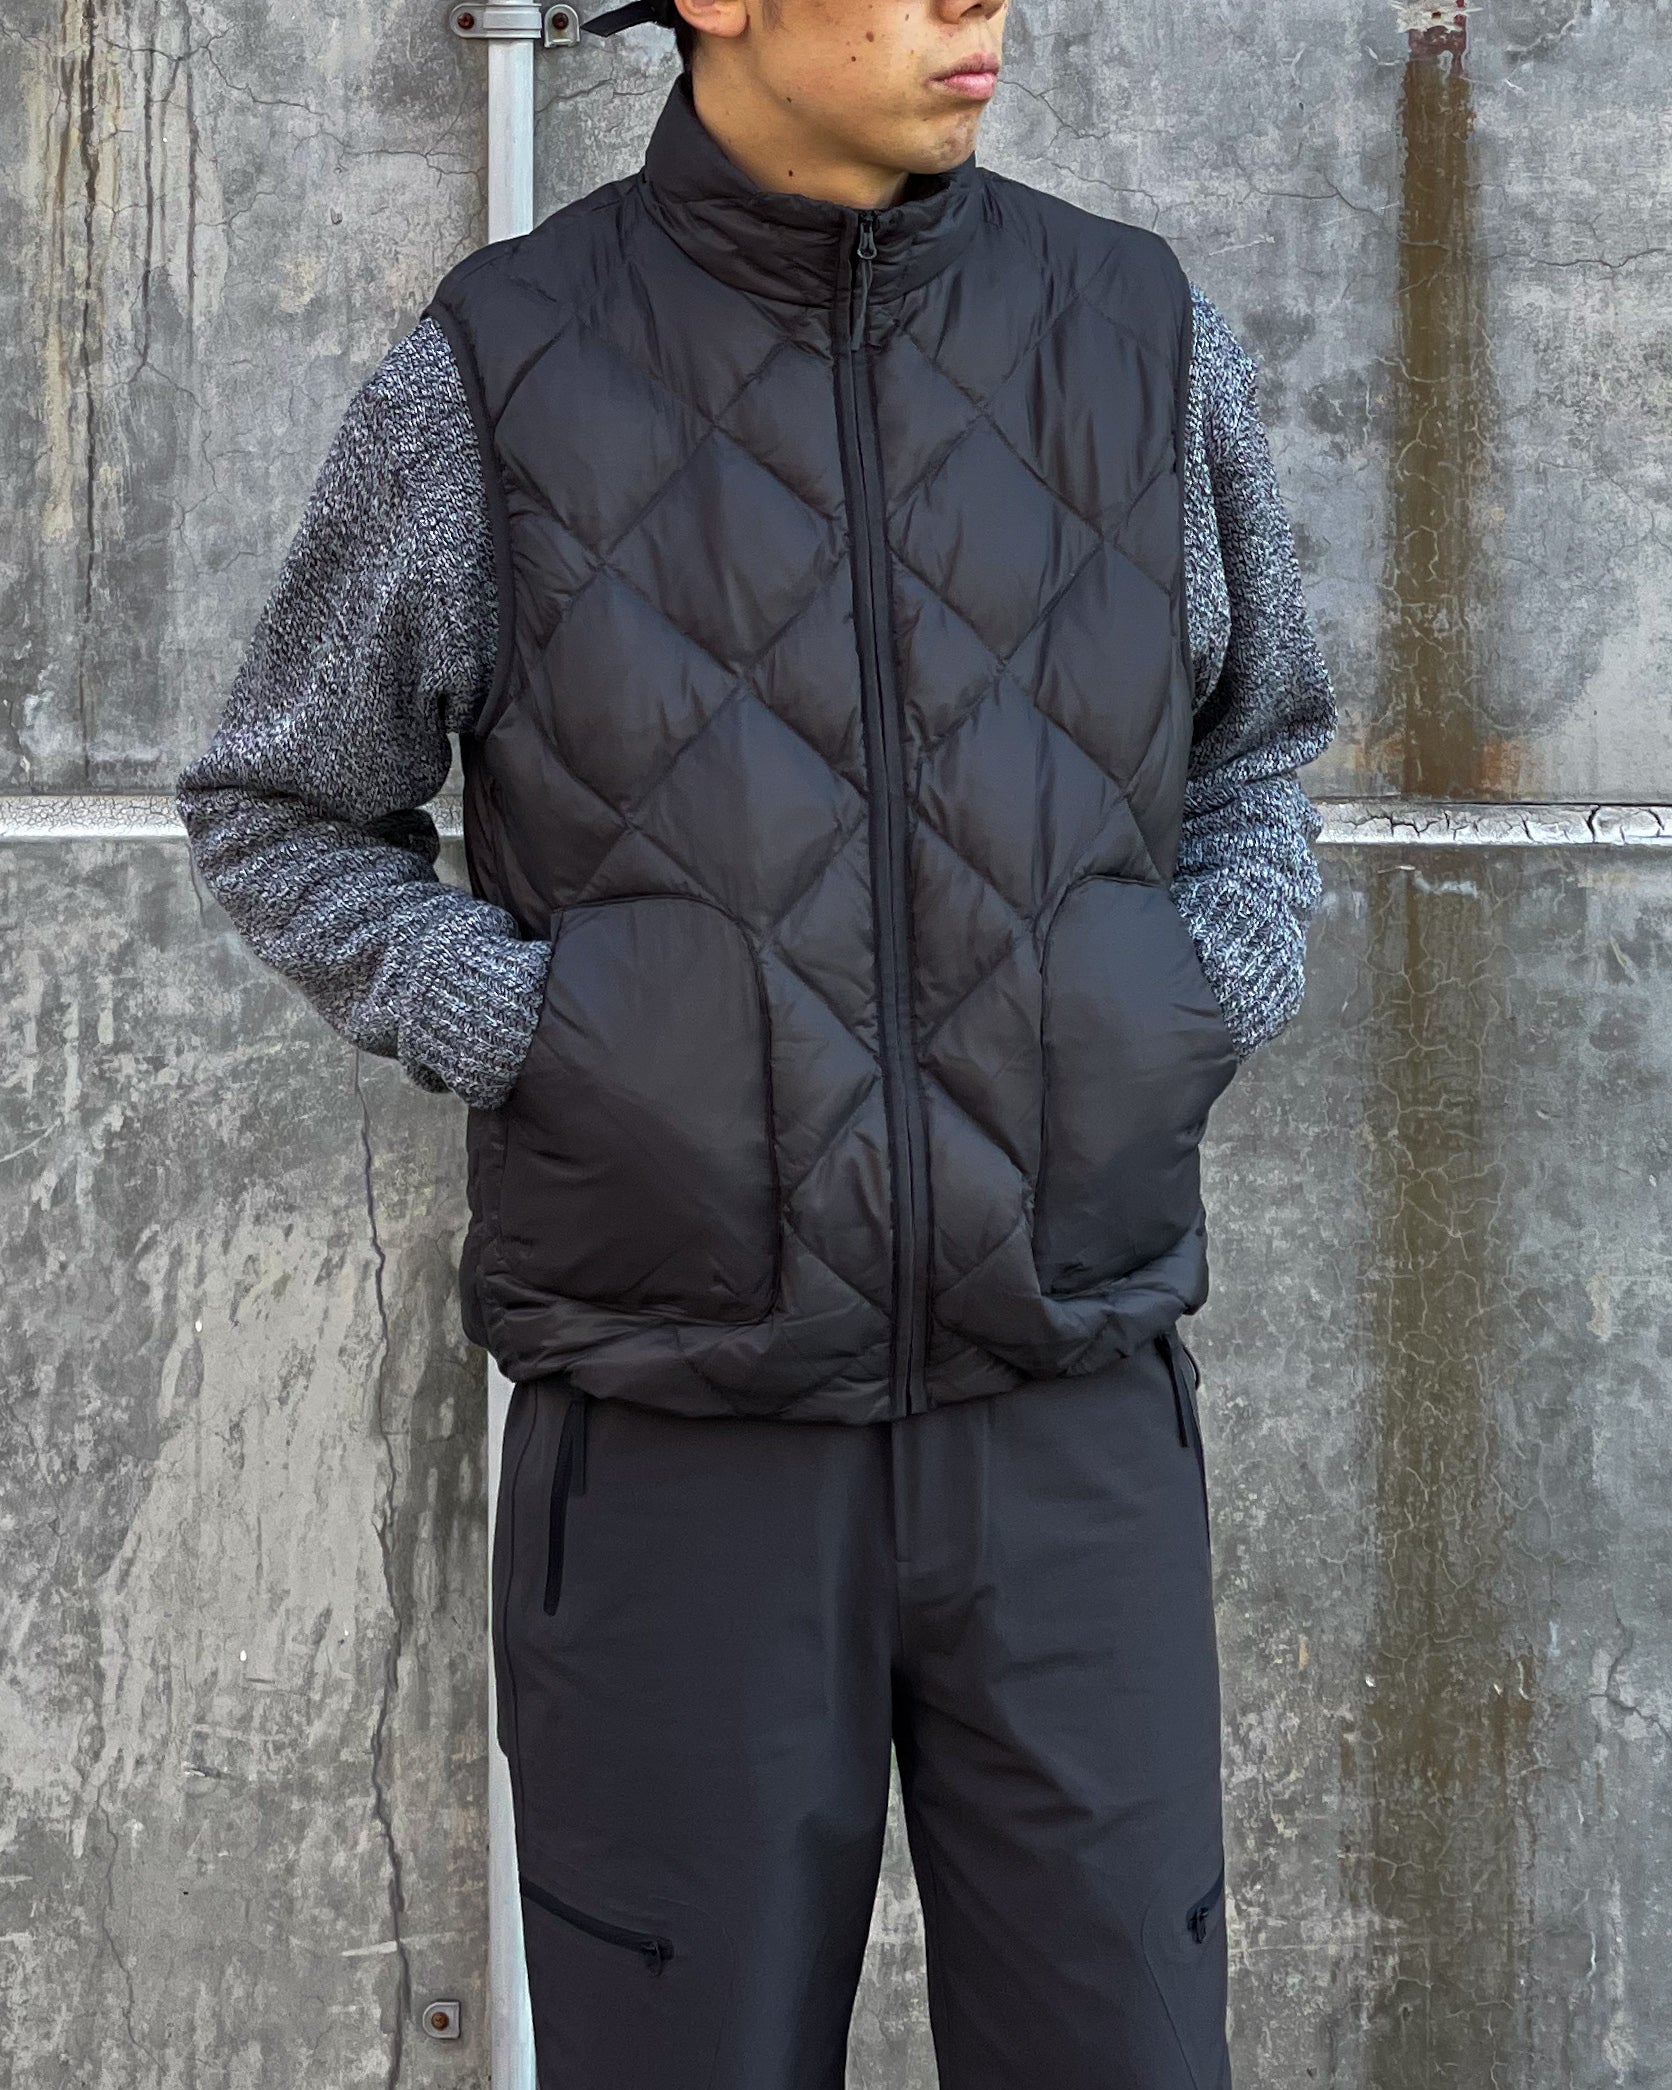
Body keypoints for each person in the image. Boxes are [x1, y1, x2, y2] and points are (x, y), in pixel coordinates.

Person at [177, 0, 1337, 2081]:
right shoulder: (503, 369)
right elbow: (280, 804)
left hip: (1066, 1430)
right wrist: (548, 1033)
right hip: (674, 1455)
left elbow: (1258, 753)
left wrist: (1182, 999)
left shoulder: (1134, 332)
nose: (977, 5)